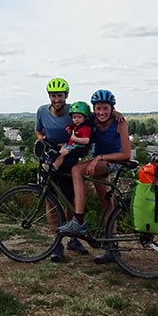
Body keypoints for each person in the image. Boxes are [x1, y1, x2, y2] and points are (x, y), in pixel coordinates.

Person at [57, 89, 131, 264]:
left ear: (112, 108)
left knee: (76, 170)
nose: (101, 112)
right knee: (107, 205)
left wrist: (99, 158)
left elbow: (126, 154)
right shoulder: (93, 121)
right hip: (97, 163)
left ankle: (79, 220)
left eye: (105, 108)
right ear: (94, 109)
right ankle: (112, 249)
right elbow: (77, 119)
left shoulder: (120, 122)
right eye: (98, 108)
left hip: (112, 160)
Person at [34, 77, 89, 261]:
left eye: (60, 96)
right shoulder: (42, 111)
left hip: (68, 159)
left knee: (70, 201)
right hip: (48, 159)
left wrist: (116, 113)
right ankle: (56, 244)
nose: (56, 99)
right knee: (50, 201)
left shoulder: (74, 110)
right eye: (53, 95)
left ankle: (72, 239)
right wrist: (42, 140)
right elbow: (38, 130)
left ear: (66, 96)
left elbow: (90, 122)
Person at [52, 101, 93, 170]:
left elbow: (86, 140)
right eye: (74, 117)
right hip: (72, 145)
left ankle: (55, 166)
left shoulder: (86, 128)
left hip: (77, 147)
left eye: (79, 117)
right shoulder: (77, 126)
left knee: (61, 154)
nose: (76, 119)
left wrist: (75, 139)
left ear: (85, 118)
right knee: (59, 149)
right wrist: (70, 129)